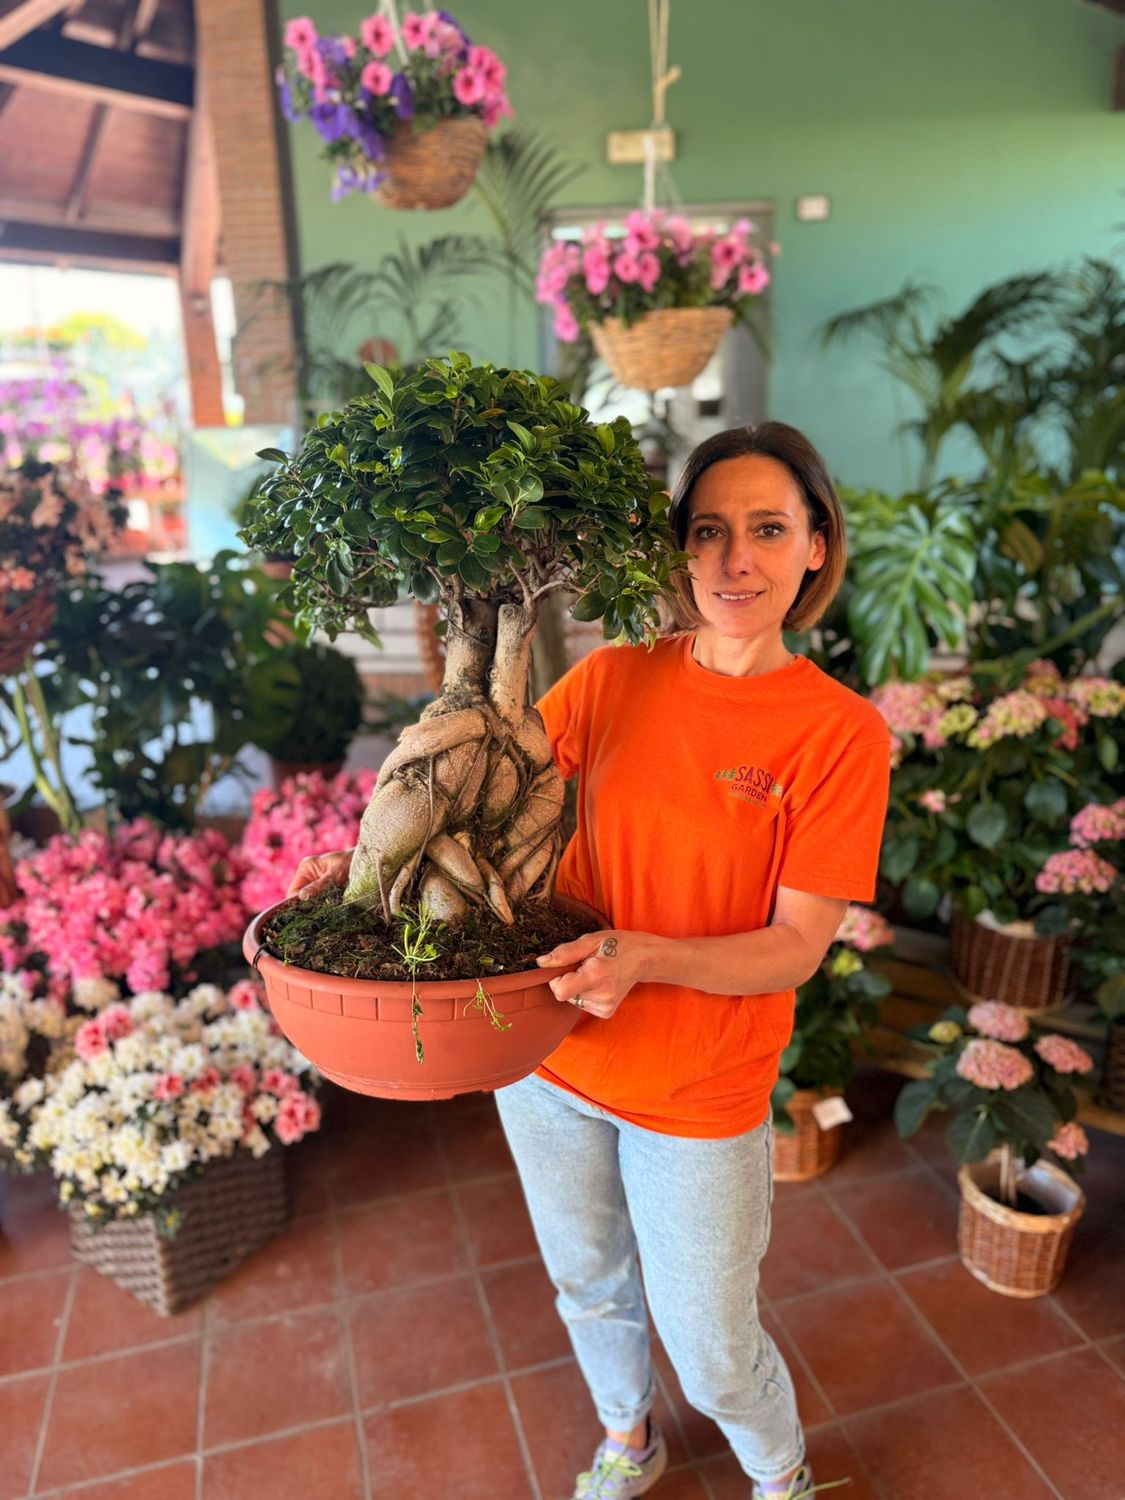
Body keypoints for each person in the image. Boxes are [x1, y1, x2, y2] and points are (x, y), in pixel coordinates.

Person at [287, 423, 891, 1500]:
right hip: (551, 1057)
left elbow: (797, 948)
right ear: (674, 552)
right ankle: (628, 1435)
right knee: (589, 1284)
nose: (732, 562)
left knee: (709, 1342)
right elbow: (487, 795)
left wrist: (645, 956)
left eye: (766, 530)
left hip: (697, 1091)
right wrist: (365, 863)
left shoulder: (837, 734)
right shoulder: (612, 680)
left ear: (815, 546)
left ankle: (780, 1470)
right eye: (707, 533)